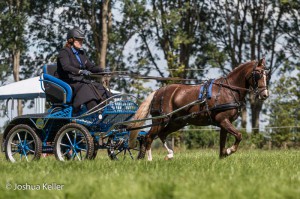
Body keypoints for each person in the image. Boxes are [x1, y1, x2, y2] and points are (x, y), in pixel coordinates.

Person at [57, 27, 112, 113]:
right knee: (87, 88)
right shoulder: (64, 52)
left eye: (82, 40)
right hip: (69, 81)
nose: (81, 42)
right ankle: (94, 113)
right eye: (78, 40)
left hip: (80, 81)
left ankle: (105, 111)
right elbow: (66, 67)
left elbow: (91, 67)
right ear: (71, 40)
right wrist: (80, 71)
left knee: (99, 87)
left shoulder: (81, 53)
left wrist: (103, 70)